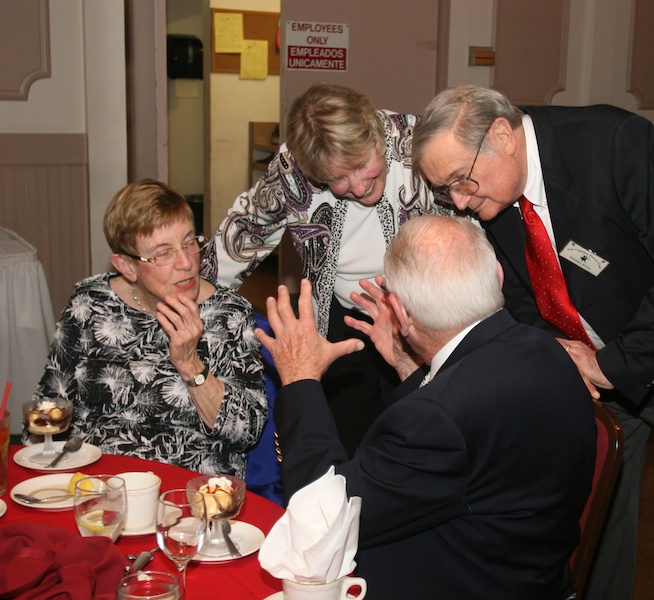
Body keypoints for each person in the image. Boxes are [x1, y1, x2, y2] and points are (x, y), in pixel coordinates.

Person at [412, 85, 654, 600]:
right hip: (602, 381)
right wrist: (561, 356)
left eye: (462, 181)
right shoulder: (498, 199)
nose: (460, 201)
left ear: (503, 136)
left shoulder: (615, 143)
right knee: (599, 526)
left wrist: (613, 365)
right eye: (447, 192)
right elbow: (527, 296)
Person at [256, 215, 597, 599]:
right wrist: (408, 365)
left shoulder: (439, 418)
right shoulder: (548, 351)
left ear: (401, 313)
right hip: (527, 572)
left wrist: (300, 377)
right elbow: (463, 452)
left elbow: (322, 524)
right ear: (497, 277)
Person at [201, 82, 454, 457]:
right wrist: (187, 289)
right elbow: (244, 233)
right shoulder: (293, 168)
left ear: (375, 131)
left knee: (421, 427)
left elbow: (468, 227)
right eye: (337, 179)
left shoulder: (415, 142)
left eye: (361, 165)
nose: (357, 186)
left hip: (423, 309)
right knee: (350, 434)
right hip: (340, 315)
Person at [34, 179, 267, 477]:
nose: (186, 262)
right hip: (98, 483)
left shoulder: (228, 314)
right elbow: (51, 408)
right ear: (127, 266)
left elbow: (247, 431)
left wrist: (189, 365)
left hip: (191, 490)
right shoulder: (89, 303)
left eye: (189, 242)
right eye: (163, 253)